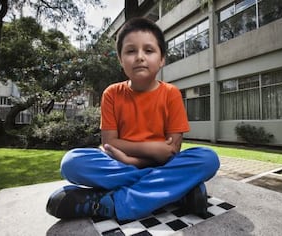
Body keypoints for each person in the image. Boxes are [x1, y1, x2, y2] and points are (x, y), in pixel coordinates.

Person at [46, 17, 220, 221]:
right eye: (130, 51)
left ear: (162, 58)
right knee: (72, 162)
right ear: (120, 59)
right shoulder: (112, 93)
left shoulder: (171, 93)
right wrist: (146, 154)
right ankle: (178, 191)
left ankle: (111, 203)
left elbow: (172, 150)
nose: (139, 57)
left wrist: (135, 155)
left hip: (161, 165)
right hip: (123, 165)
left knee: (208, 159)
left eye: (148, 50)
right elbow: (109, 143)